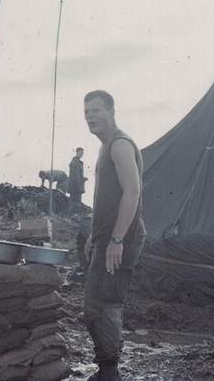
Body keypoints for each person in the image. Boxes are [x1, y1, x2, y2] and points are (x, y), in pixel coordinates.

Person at [82, 90, 146, 381]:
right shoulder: (104, 147)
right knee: (93, 305)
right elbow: (105, 197)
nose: (90, 116)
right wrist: (94, 236)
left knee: (106, 305)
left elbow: (132, 192)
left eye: (96, 110)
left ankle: (109, 374)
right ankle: (106, 369)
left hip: (122, 239)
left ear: (111, 112)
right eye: (87, 112)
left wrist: (117, 239)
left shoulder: (120, 145)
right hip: (106, 238)